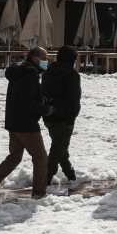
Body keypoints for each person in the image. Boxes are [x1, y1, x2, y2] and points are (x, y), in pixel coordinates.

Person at [0, 47, 50, 205]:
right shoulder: (30, 75)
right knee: (41, 158)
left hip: (13, 122)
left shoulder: (19, 71)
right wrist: (45, 108)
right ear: (35, 59)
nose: (46, 60)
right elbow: (27, 102)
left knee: (14, 157)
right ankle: (39, 194)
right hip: (26, 124)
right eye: (44, 57)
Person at [42, 45, 83, 190]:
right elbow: (72, 99)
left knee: (60, 148)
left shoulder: (48, 72)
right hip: (63, 118)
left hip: (48, 115)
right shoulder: (71, 74)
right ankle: (45, 181)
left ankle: (71, 176)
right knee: (57, 149)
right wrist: (71, 120)